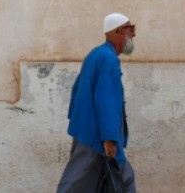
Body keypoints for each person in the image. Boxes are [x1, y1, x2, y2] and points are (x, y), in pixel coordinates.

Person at [56, 12, 137, 193]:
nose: (133, 35)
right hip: (96, 136)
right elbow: (107, 101)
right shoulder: (109, 60)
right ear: (119, 32)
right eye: (130, 29)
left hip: (86, 130)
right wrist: (109, 139)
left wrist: (78, 122)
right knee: (78, 182)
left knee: (117, 180)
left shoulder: (96, 54)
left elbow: (77, 89)